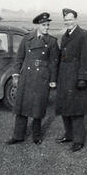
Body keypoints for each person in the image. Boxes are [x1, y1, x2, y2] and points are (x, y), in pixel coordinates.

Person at [6, 12, 59, 145]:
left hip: (42, 78)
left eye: (48, 25)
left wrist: (53, 80)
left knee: (38, 107)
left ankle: (36, 136)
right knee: (21, 107)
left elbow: (54, 62)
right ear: (38, 25)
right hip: (27, 77)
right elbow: (19, 58)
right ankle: (18, 135)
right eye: (44, 25)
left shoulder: (52, 42)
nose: (47, 27)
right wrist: (16, 74)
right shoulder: (27, 39)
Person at [56, 8, 87, 152]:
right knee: (65, 107)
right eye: (66, 20)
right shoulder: (65, 35)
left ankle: (79, 140)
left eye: (70, 19)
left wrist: (82, 78)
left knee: (77, 109)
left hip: (76, 77)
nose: (68, 22)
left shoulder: (84, 35)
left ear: (76, 20)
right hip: (64, 76)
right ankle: (69, 135)